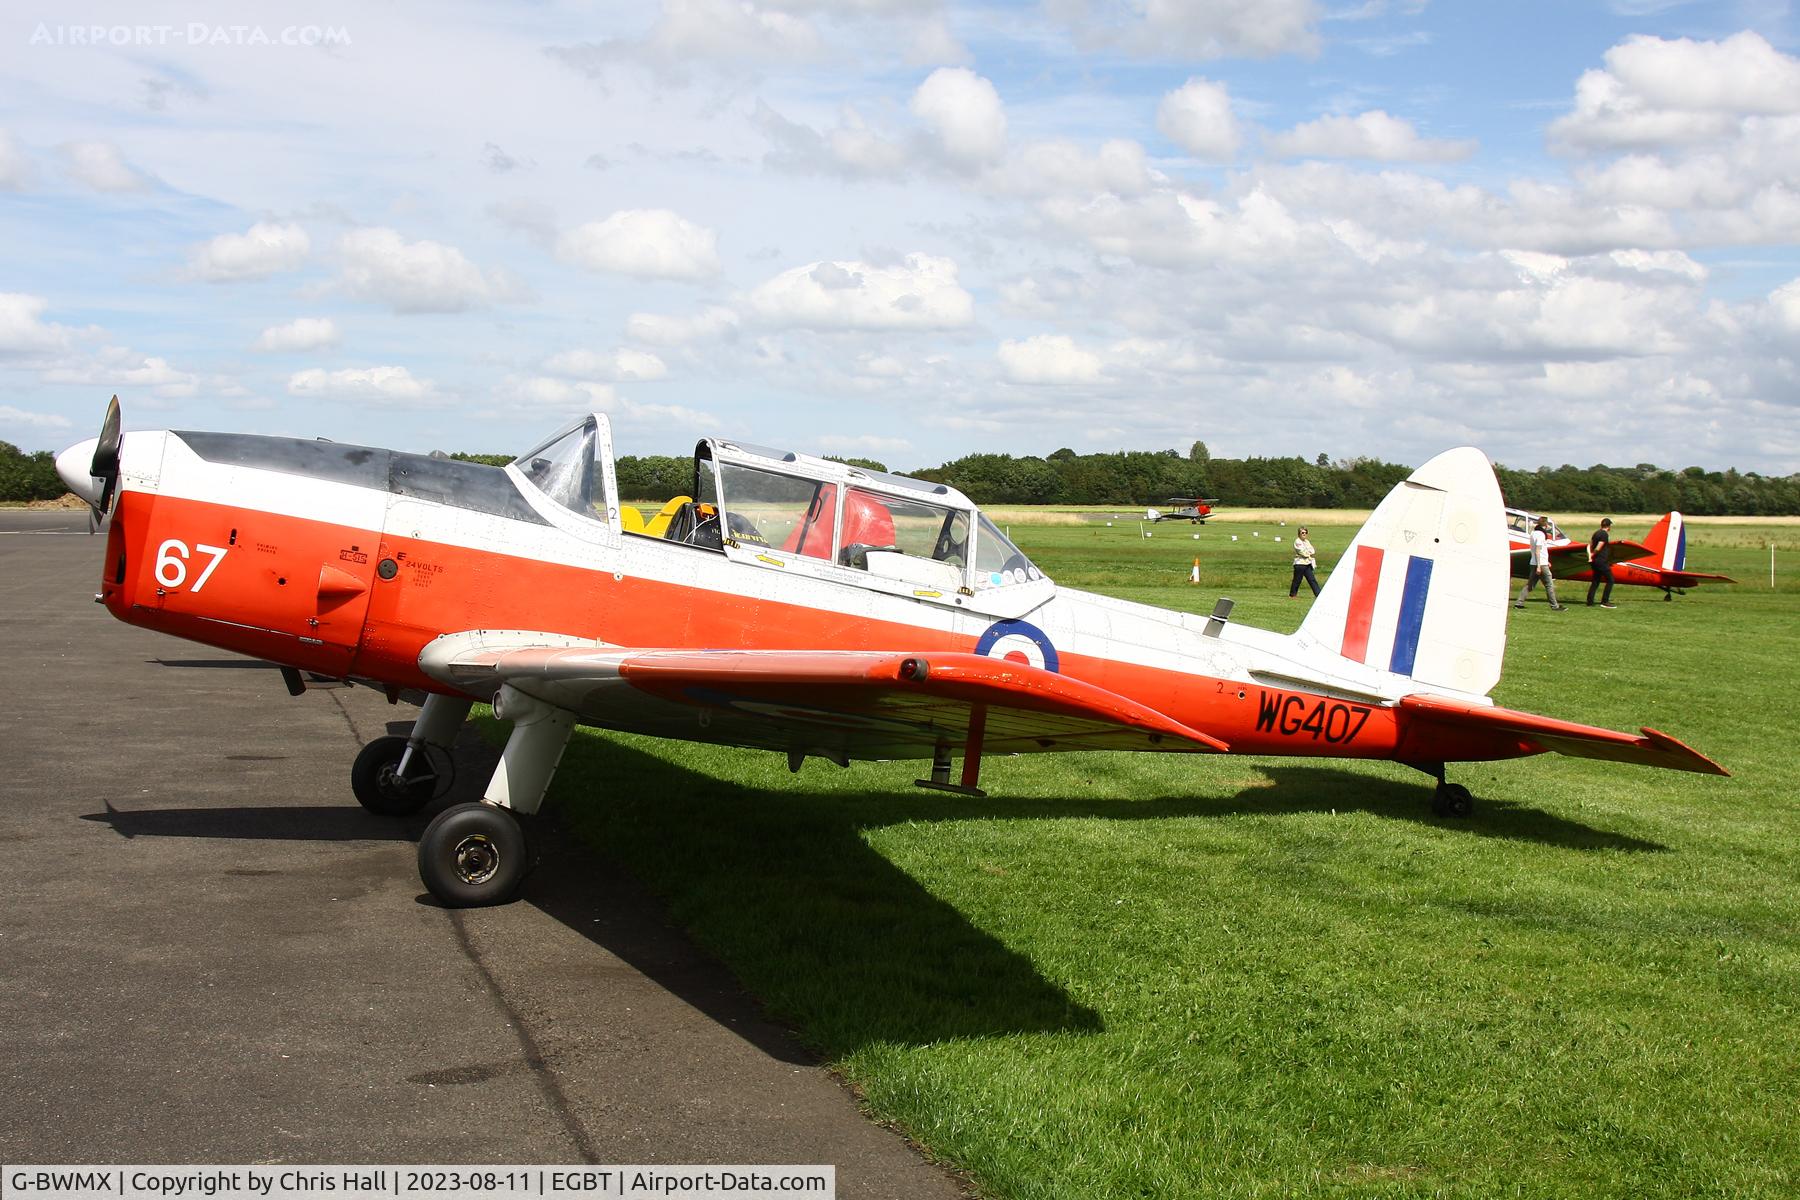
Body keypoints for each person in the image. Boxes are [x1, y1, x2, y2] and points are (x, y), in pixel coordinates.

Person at [1514, 516, 1566, 611]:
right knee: (1549, 584)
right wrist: (1539, 566)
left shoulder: (1533, 533)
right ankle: (1555, 606)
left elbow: (1539, 550)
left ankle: (1519, 603)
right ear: (1545, 525)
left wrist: (1546, 561)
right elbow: (1538, 550)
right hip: (1540, 564)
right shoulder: (1541, 535)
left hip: (1534, 562)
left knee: (1530, 584)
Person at [1586, 517, 1617, 608]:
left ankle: (1590, 601)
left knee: (1596, 581)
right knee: (1611, 580)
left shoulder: (1596, 533)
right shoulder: (1604, 534)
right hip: (1601, 561)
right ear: (1609, 526)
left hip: (1595, 562)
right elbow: (1598, 547)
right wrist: (1593, 554)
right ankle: (1605, 601)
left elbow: (1589, 545)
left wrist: (1590, 556)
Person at [1289, 527, 1320, 598]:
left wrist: (1308, 553)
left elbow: (1312, 550)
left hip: (1307, 563)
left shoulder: (1307, 542)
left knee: (1312, 579)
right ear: (1299, 533)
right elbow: (1301, 552)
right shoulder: (1297, 541)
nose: (1304, 534)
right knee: (1297, 580)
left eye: (1305, 532)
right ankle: (1292, 594)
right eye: (1302, 532)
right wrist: (1308, 553)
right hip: (1299, 563)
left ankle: (1318, 594)